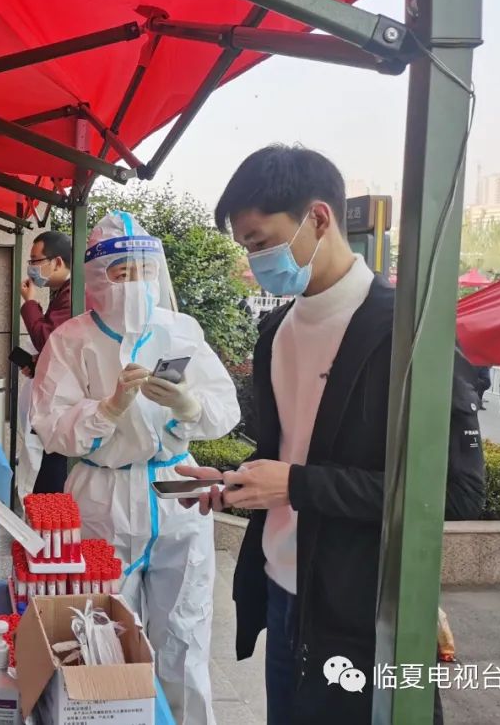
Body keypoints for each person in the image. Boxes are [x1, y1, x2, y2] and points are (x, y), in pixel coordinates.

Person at [179, 145, 484, 725]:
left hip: (364, 613)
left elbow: (454, 493)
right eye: (246, 247)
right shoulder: (276, 332)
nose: (257, 258)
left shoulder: (409, 335)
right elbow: (287, 458)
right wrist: (237, 483)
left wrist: (297, 486)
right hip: (279, 590)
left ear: (319, 218)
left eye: (262, 240)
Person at [31, 211, 240, 724]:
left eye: (145, 271)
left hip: (174, 489)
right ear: (99, 279)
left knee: (185, 638)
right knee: (100, 637)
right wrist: (105, 410)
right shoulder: (71, 340)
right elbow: (50, 424)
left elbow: (224, 409)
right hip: (102, 493)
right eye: (123, 272)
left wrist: (190, 407)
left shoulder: (180, 330)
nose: (136, 283)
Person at [17, 230, 73, 496]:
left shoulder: (73, 294)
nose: (32, 268)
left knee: (52, 476)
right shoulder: (62, 292)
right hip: (59, 398)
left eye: (36, 261)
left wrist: (30, 303)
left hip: (67, 405)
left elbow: (47, 339)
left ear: (58, 262)